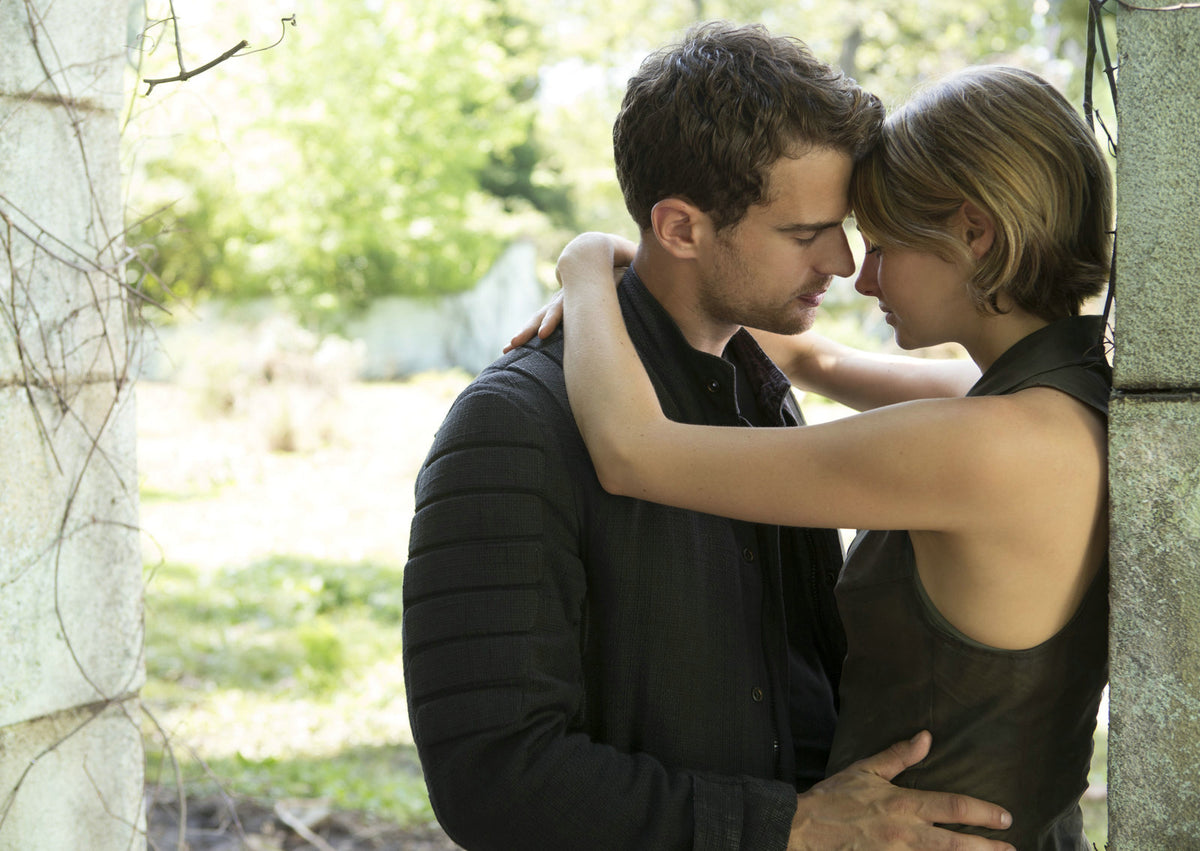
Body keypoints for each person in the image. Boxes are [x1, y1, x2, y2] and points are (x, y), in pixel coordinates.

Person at [402, 22, 1016, 851]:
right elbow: (494, 776)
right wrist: (787, 827)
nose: (843, 262)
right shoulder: (513, 427)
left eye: (841, 226)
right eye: (805, 233)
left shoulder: (762, 395)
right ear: (681, 229)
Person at [549, 64, 1113, 850]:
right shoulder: (1065, 396)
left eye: (883, 243)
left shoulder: (984, 445)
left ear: (975, 233)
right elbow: (816, 360)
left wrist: (583, 265)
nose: (860, 273)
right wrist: (657, 260)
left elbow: (632, 451)